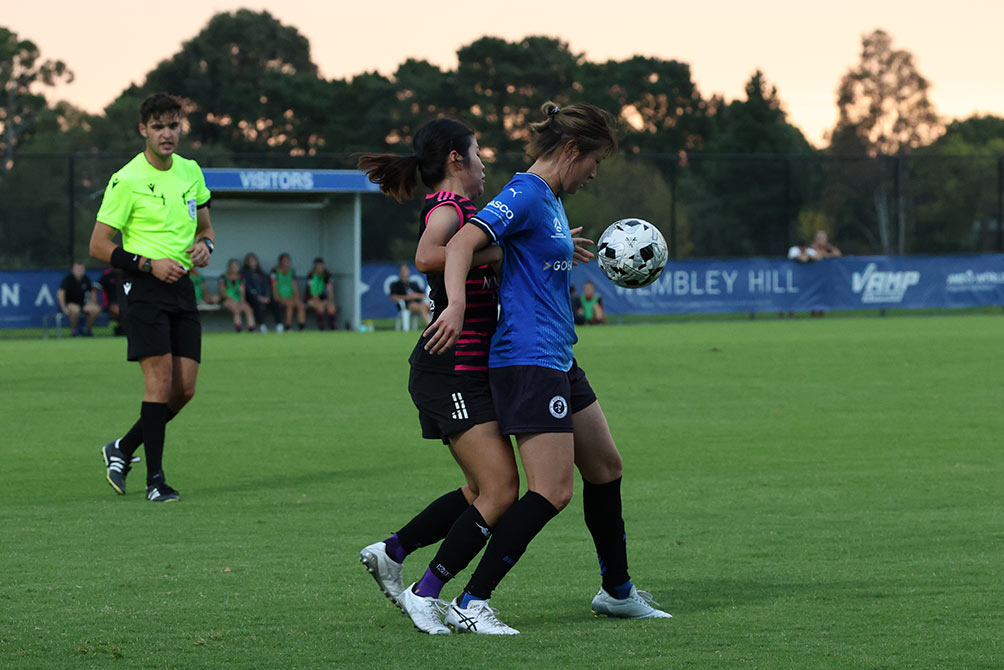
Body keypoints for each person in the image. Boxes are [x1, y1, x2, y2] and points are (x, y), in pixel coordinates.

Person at [424, 102, 672, 633]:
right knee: (552, 490)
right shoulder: (527, 193)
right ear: (571, 151)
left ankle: (617, 592)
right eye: (594, 162)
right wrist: (458, 305)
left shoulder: (552, 200)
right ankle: (471, 602)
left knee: (605, 467)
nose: (595, 174)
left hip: (559, 355)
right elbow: (463, 241)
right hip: (527, 359)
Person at [356, 118, 520, 635]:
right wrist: (501, 251)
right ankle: (426, 593)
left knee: (479, 491)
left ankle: (393, 551)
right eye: (477, 153)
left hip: (464, 371)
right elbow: (427, 256)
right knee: (501, 490)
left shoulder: (470, 213)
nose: (484, 162)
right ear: (455, 159)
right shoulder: (449, 208)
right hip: (449, 370)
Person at [89, 92, 215, 502]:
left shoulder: (190, 172)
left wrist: (205, 248)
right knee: (159, 383)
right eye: (158, 126)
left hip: (181, 286)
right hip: (142, 287)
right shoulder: (126, 179)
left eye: (173, 126)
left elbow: (206, 230)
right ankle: (156, 481)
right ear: (143, 130)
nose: (167, 134)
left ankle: (123, 448)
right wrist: (147, 263)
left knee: (185, 389)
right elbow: (98, 245)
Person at [58, 262, 102, 337]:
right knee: (75, 310)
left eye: (81, 269)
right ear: (73, 270)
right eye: (77, 269)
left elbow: (92, 292)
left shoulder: (86, 279)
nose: (79, 271)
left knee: (96, 309)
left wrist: (93, 302)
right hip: (70, 304)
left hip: (83, 304)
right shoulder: (68, 280)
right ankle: (74, 331)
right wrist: (64, 308)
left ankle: (86, 329)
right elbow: (60, 293)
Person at [242, 252, 282, 332]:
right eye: (250, 260)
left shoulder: (262, 273)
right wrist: (258, 297)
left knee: (275, 303)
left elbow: (267, 285)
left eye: (254, 260)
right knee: (256, 304)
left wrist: (267, 296)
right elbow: (247, 288)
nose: (252, 261)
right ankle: (262, 326)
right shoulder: (244, 273)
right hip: (252, 297)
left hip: (264, 297)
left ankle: (279, 325)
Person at [218, 258, 256, 333]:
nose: (235, 268)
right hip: (227, 299)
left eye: (236, 266)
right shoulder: (223, 277)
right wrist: (232, 299)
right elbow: (222, 292)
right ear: (229, 267)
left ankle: (251, 327)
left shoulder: (241, 278)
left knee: (248, 309)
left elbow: (242, 291)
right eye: (233, 266)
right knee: (236, 308)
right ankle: (238, 327)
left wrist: (242, 300)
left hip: (238, 299)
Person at [271, 253, 306, 331]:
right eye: (284, 261)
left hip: (291, 296)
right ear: (280, 262)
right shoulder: (274, 271)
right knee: (290, 305)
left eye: (288, 261)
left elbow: (295, 285)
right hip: (280, 296)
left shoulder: (292, 271)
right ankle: (287, 327)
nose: (287, 263)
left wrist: (296, 296)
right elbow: (274, 286)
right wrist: (277, 297)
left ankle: (302, 327)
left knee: (301, 305)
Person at [388, 263, 432, 327]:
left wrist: (416, 295)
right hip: (407, 305)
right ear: (399, 272)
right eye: (402, 270)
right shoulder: (396, 284)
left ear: (409, 271)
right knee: (422, 307)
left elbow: (424, 295)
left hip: (419, 304)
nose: (404, 272)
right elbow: (392, 297)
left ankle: (436, 324)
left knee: (431, 307)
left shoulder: (413, 284)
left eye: (406, 270)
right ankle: (430, 326)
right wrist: (407, 297)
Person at [304, 257, 338, 330]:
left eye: (321, 266)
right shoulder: (311, 275)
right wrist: (319, 302)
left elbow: (330, 289)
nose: (319, 268)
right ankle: (321, 329)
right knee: (320, 307)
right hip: (310, 298)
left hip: (322, 297)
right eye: (317, 266)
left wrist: (330, 301)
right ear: (315, 267)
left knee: (331, 307)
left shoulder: (327, 274)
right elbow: (312, 291)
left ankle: (333, 329)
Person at [97, 267, 125, 336]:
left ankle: (122, 328)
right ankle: (123, 328)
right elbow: (95, 288)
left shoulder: (128, 273)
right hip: (111, 304)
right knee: (118, 310)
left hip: (126, 303)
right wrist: (96, 303)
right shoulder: (107, 274)